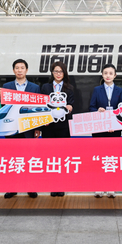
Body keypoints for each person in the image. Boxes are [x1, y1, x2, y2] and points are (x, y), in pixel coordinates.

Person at [0, 59, 40, 199]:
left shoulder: (35, 87)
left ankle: (30, 187)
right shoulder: (7, 86)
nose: (19, 70)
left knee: (29, 158)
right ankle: (12, 188)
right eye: (17, 68)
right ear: (13, 70)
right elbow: (3, 107)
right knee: (12, 158)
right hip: (11, 127)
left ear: (26, 70)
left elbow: (38, 110)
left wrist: (37, 128)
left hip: (28, 127)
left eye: (22, 68)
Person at [89, 63, 122, 198]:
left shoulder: (120, 91)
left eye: (110, 73)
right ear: (102, 75)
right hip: (99, 129)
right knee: (99, 158)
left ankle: (111, 187)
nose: (108, 76)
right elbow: (91, 107)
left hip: (114, 130)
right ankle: (98, 186)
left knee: (112, 158)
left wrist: (115, 125)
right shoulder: (96, 90)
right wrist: (97, 110)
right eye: (105, 73)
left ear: (115, 75)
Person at [40, 61, 75, 197]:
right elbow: (41, 106)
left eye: (60, 71)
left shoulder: (70, 88)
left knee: (62, 156)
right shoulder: (45, 87)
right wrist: (43, 121)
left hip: (63, 127)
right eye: (56, 71)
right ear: (52, 73)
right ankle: (52, 185)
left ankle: (61, 185)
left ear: (64, 73)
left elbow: (72, 104)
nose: (58, 74)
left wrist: (70, 107)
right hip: (48, 126)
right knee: (50, 156)